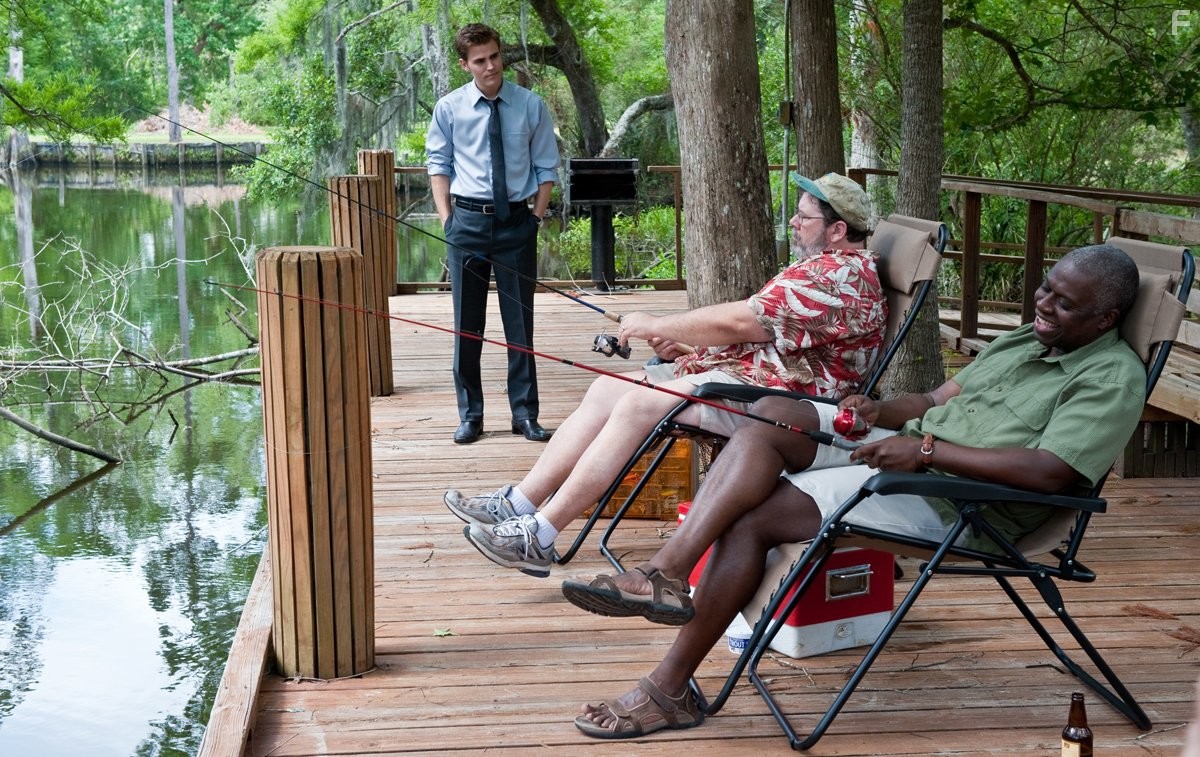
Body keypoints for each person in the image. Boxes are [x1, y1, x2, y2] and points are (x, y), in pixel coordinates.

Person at [560, 243, 1146, 739]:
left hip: (963, 501)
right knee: (772, 415)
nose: (1044, 305)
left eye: (1066, 304)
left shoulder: (1111, 377)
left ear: (1105, 319)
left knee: (754, 517)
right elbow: (936, 402)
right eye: (1046, 289)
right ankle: (665, 572)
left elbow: (1050, 472)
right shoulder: (1026, 340)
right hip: (913, 454)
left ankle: (667, 689)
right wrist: (876, 410)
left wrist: (925, 453)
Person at [448, 172, 888, 577]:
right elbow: (775, 335)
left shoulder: (840, 276)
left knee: (640, 402)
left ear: (837, 231)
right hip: (753, 377)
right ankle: (518, 503)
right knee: (608, 388)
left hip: (787, 404)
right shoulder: (823, 269)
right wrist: (691, 348)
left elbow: (742, 322)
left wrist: (657, 323)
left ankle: (539, 535)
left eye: (804, 217)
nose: (793, 222)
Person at [426, 23, 560, 444]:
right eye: (480, 61)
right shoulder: (449, 108)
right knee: (468, 325)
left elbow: (546, 168)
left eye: (495, 57)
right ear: (465, 64)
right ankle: (471, 416)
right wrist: (448, 219)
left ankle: (525, 414)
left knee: (520, 324)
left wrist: (535, 218)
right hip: (466, 222)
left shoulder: (530, 105)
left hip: (516, 224)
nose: (491, 67)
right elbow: (438, 165)